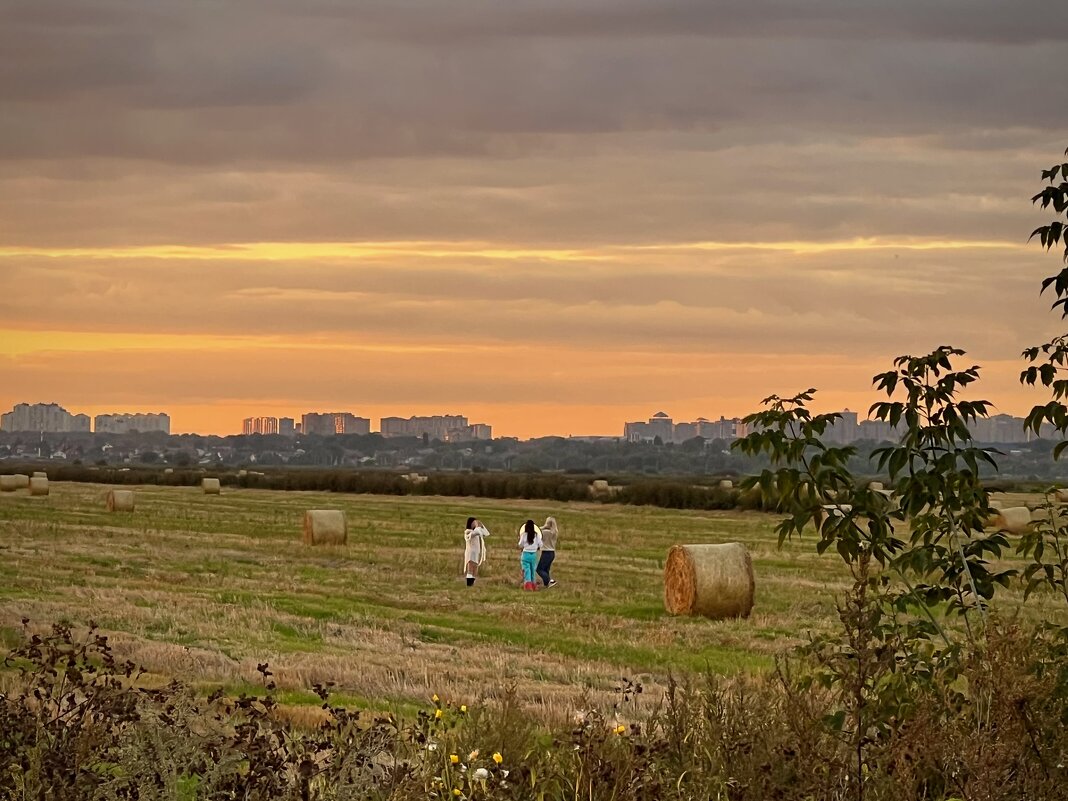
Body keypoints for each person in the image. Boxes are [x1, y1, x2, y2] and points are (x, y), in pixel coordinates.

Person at [463, 517, 490, 587]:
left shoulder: (476, 531)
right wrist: (478, 526)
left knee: (475, 569)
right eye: (473, 522)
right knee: (470, 568)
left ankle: (472, 583)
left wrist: (482, 525)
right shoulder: (468, 531)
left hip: (476, 552)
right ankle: (469, 583)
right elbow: (474, 534)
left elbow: (486, 533)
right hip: (470, 552)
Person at [517, 519, 542, 591]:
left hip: (525, 554)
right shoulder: (536, 535)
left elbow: (520, 544)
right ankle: (534, 585)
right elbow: (541, 544)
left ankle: (528, 586)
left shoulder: (524, 535)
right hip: (533, 554)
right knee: (533, 570)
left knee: (527, 570)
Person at [536, 516, 559, 588]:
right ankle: (547, 585)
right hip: (552, 553)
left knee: (539, 569)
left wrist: (544, 526)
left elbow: (537, 530)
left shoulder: (545, 532)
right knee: (546, 569)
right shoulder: (555, 533)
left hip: (546, 552)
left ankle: (550, 581)